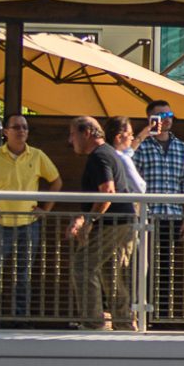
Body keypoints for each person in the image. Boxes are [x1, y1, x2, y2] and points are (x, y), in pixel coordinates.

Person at [0, 114, 59, 321]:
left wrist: (46, 209)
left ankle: (21, 320)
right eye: (16, 127)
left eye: (25, 127)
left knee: (23, 276)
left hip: (29, 224)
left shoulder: (37, 155)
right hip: (0, 225)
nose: (22, 131)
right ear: (5, 132)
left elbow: (56, 181)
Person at [64, 117, 134, 331]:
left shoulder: (100, 156)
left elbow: (107, 192)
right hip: (121, 223)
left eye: (73, 134)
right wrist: (82, 216)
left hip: (113, 224)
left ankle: (93, 322)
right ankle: (124, 323)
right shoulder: (107, 153)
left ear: (86, 133)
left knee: (82, 266)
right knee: (111, 275)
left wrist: (90, 220)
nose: (70, 140)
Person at [134, 102, 184, 316]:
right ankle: (141, 312)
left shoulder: (181, 147)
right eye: (160, 115)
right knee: (142, 265)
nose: (166, 118)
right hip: (146, 216)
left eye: (169, 114)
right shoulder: (141, 145)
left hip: (173, 215)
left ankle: (160, 313)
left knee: (165, 266)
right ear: (149, 118)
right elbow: (129, 173)